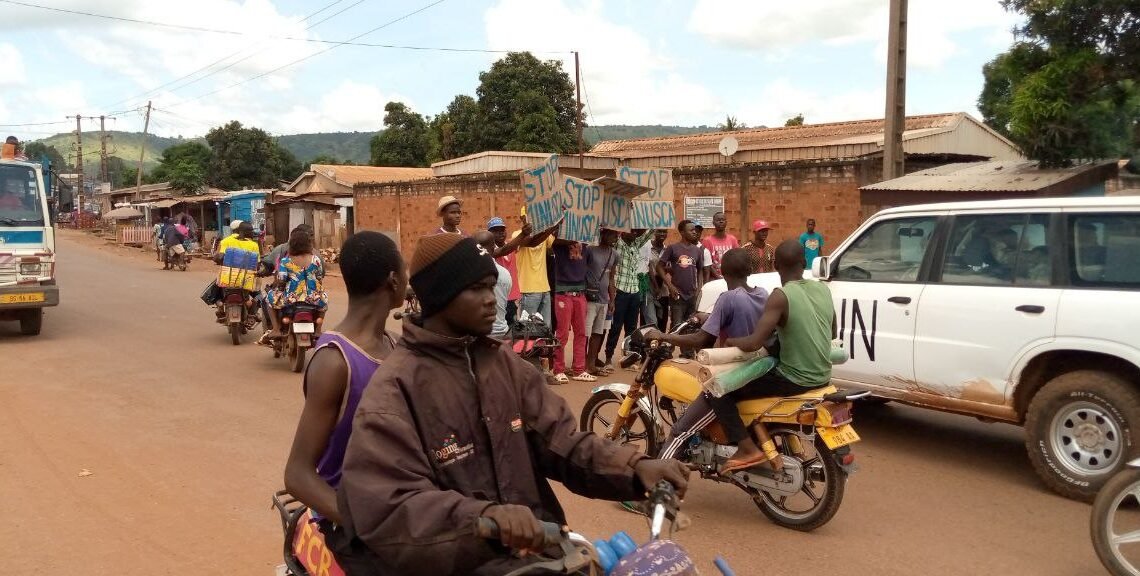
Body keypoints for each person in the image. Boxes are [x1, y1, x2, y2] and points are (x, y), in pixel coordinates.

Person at [337, 233, 690, 576]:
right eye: (477, 288)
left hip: (543, 559)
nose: (492, 299)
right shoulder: (395, 391)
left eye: (492, 286)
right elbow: (390, 506)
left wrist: (635, 468)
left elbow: (563, 441)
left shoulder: (504, 364)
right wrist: (484, 518)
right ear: (440, 296)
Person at [283, 231, 405, 574]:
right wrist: (364, 523)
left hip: (401, 507)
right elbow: (297, 474)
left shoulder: (396, 346)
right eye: (405, 268)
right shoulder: (335, 361)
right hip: (354, 521)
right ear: (394, 280)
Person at [620, 249, 766, 515]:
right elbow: (734, 319)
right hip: (758, 372)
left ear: (723, 272)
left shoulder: (728, 298)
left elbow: (702, 340)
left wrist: (663, 336)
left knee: (679, 432)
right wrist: (704, 318)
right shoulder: (762, 294)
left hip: (731, 378)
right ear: (750, 271)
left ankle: (652, 496)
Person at [721, 239, 836, 473]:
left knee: (718, 391)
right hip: (824, 377)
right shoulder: (823, 289)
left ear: (775, 265)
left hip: (794, 379)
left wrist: (731, 342)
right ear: (804, 263)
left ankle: (747, 448)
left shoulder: (780, 296)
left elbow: (754, 343)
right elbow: (832, 332)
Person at [269, 227, 329, 337]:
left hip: (291, 298)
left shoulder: (286, 261)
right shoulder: (315, 259)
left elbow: (282, 280)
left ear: (292, 244)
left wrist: (280, 286)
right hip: (314, 298)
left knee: (269, 298)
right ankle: (318, 330)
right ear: (308, 244)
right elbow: (319, 277)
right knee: (324, 300)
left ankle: (276, 329)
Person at [607, 228, 654, 369]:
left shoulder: (636, 243)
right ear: (624, 231)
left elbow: (649, 232)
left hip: (634, 291)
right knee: (615, 327)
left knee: (632, 328)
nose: (635, 234)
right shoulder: (618, 243)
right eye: (632, 231)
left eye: (636, 232)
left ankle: (628, 358)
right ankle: (608, 358)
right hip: (620, 291)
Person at [552, 236, 592, 383]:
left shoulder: (585, 238)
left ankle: (579, 369)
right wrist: (574, 236)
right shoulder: (560, 240)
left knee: (581, 333)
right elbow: (555, 241)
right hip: (563, 293)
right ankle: (558, 369)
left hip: (580, 292)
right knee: (562, 333)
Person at [657, 220, 705, 332]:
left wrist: (699, 289)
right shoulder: (672, 248)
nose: (694, 232)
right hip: (677, 295)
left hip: (692, 295)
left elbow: (700, 271)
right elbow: (659, 267)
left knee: (690, 326)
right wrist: (670, 286)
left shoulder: (697, 251)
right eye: (691, 230)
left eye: (695, 230)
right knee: (677, 326)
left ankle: (685, 345)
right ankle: (670, 343)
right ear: (682, 232)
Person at [213, 220, 261, 324]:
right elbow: (257, 264)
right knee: (259, 295)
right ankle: (252, 313)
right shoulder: (254, 245)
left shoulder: (225, 241)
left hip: (227, 277)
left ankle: (220, 306)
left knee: (214, 290)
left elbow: (219, 257)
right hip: (247, 280)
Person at [584, 229, 618, 376]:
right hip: (590, 298)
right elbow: (583, 271)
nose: (614, 238)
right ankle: (581, 363)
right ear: (602, 234)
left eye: (616, 235)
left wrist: (612, 300)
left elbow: (611, 278)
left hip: (604, 299)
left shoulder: (615, 254)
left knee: (598, 332)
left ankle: (591, 364)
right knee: (585, 333)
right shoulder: (590, 250)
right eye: (611, 234)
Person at [514, 216, 558, 329]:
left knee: (546, 330)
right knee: (527, 330)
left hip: (545, 289)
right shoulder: (517, 235)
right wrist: (550, 228)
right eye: (529, 218)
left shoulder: (544, 235)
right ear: (523, 219)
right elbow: (531, 242)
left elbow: (554, 242)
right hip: (527, 290)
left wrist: (557, 220)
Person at [487, 216, 532, 325]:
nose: (500, 233)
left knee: (512, 329)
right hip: (498, 298)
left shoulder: (511, 245)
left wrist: (549, 228)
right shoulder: (490, 250)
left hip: (512, 297)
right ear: (489, 234)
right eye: (496, 230)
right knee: (499, 329)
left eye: (502, 230)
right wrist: (523, 234)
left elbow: (533, 242)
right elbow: (504, 250)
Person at [475, 230, 513, 339]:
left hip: (480, 335)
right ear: (493, 248)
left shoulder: (470, 273)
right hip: (502, 332)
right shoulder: (505, 273)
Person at [701, 212, 739, 280]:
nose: (721, 221)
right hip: (714, 279)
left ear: (726, 222)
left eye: (723, 220)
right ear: (713, 223)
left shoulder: (732, 239)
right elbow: (707, 263)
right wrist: (719, 277)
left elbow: (737, 259)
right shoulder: (707, 241)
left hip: (731, 279)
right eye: (718, 220)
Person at [644, 229, 669, 330]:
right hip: (649, 287)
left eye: (664, 231)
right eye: (659, 231)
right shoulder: (647, 247)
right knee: (650, 321)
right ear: (654, 232)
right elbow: (648, 267)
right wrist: (655, 286)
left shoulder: (667, 250)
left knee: (662, 320)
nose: (662, 234)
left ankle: (660, 339)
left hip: (663, 289)